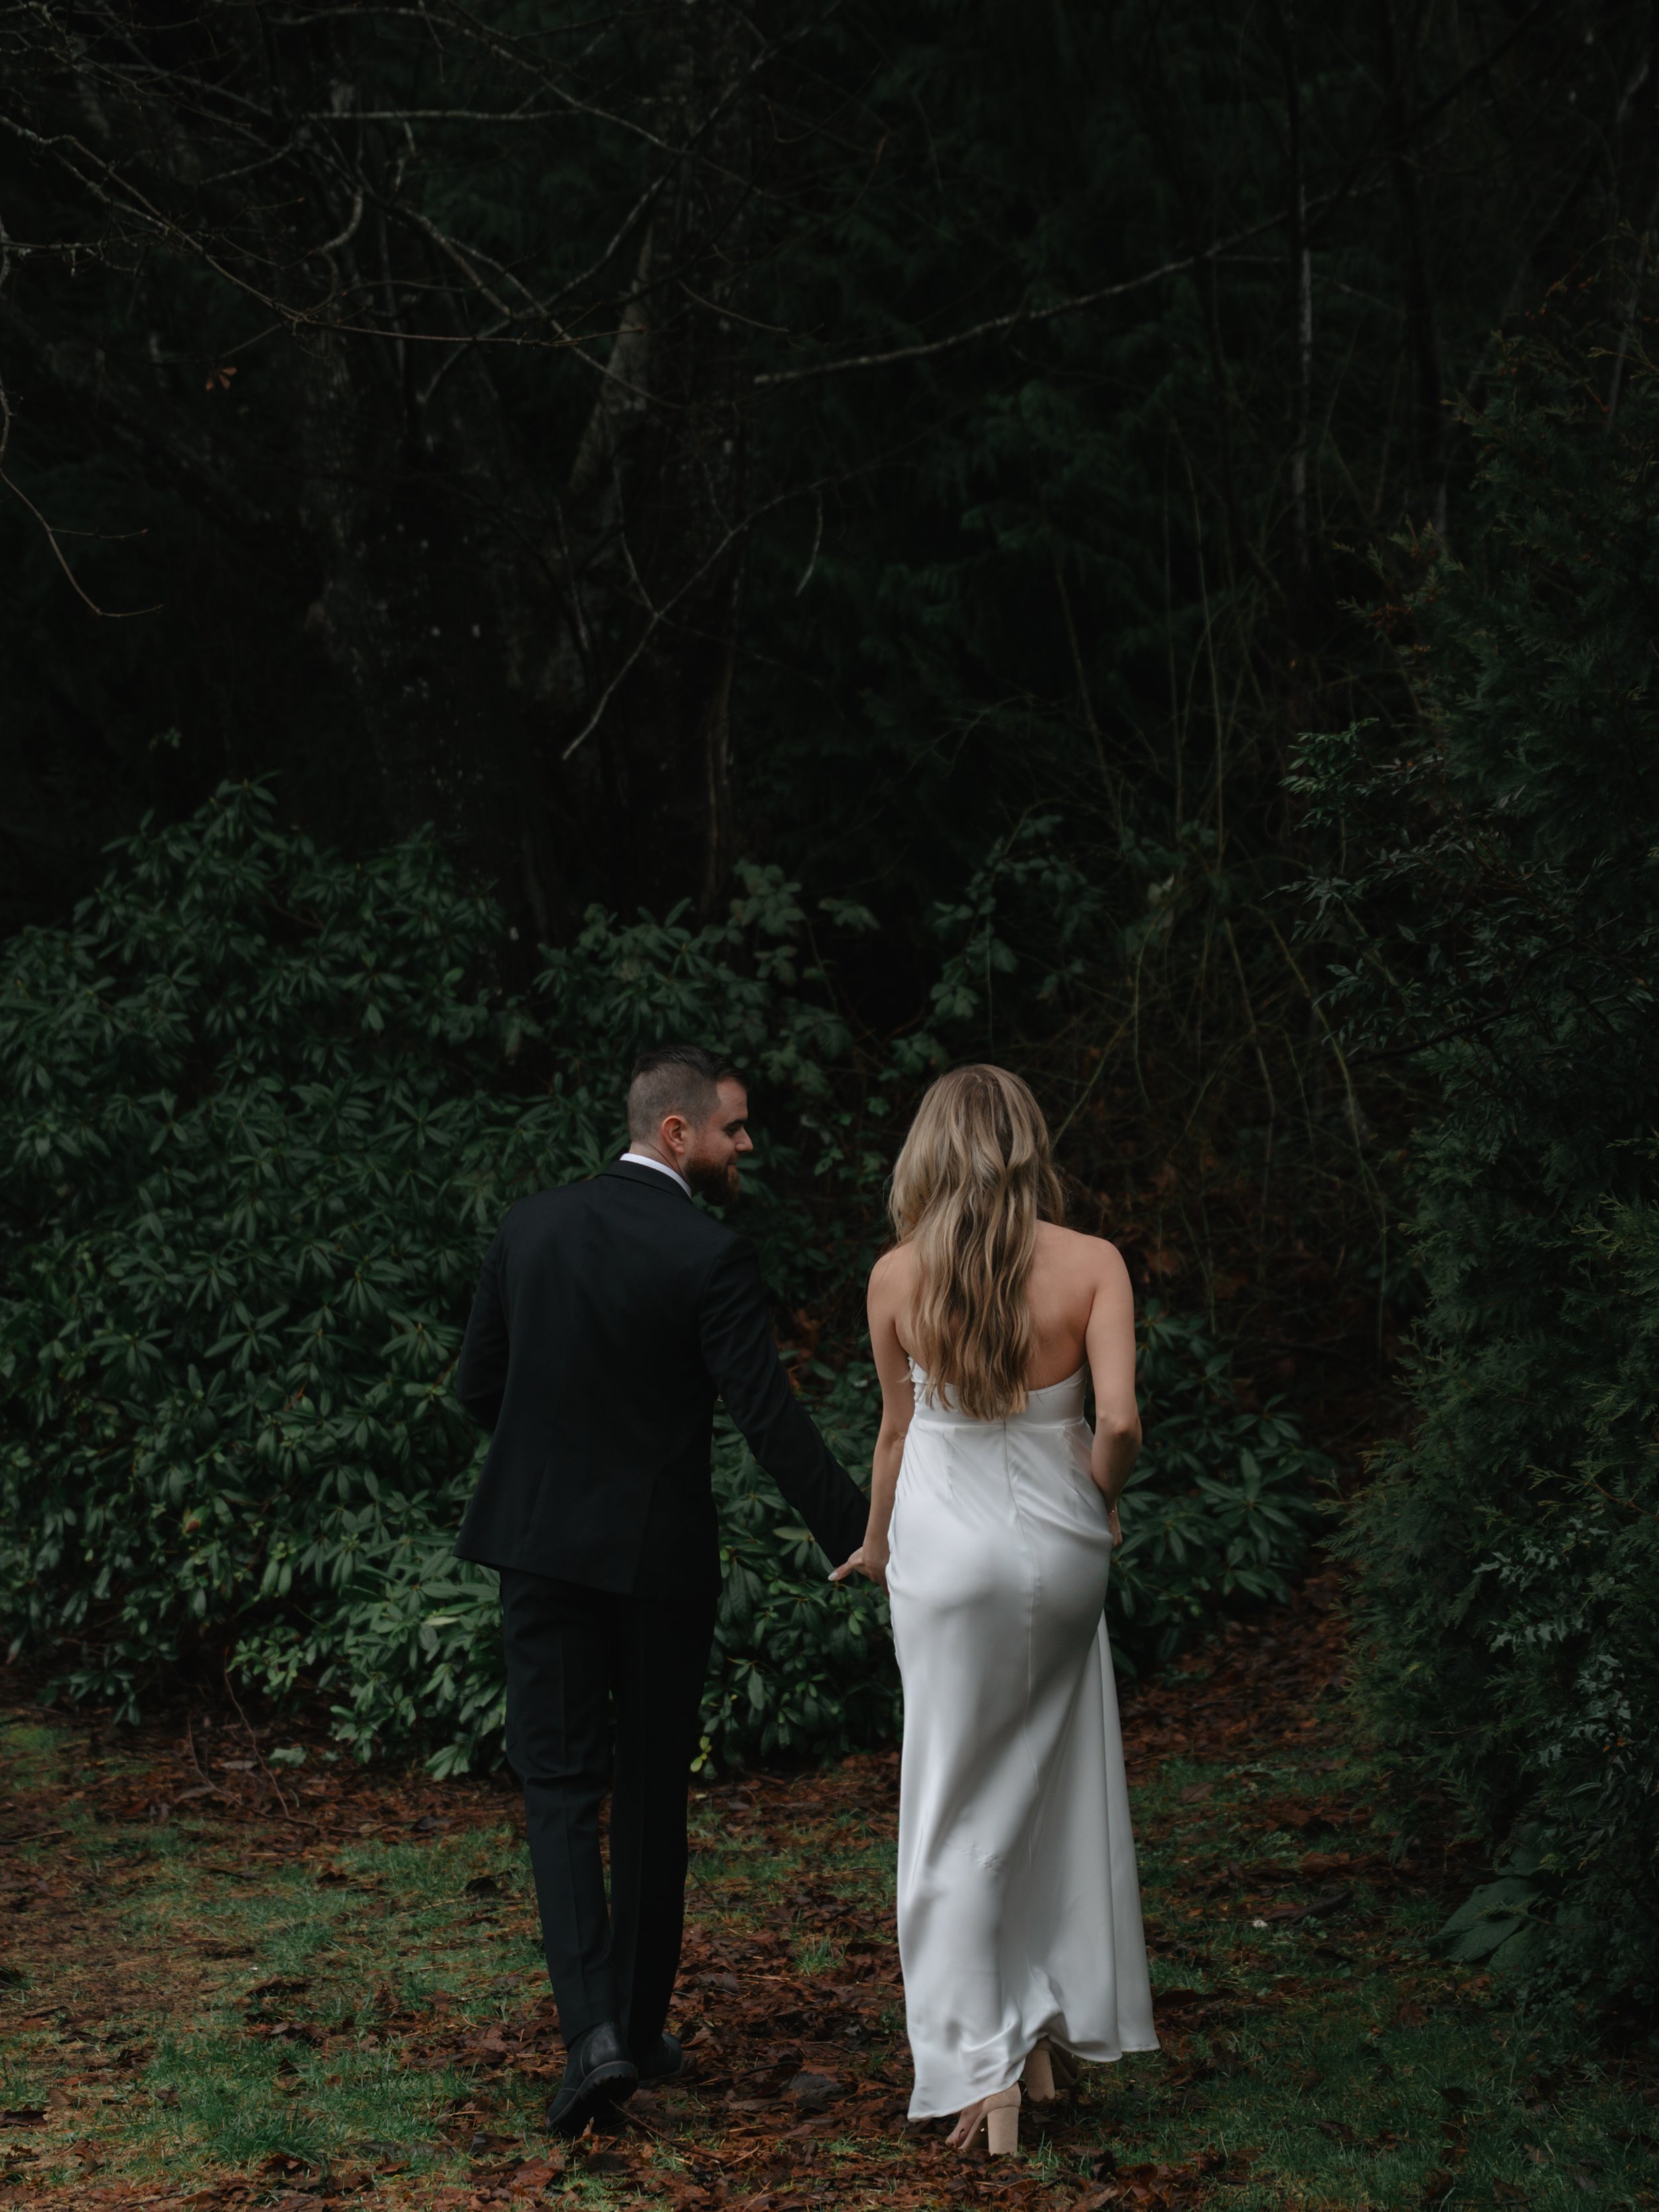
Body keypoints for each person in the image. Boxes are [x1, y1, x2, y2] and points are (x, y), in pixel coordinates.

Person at [455, 1044, 869, 2138]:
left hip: (540, 1552)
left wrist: (553, 1463)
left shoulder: (529, 1226)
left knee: (557, 1792)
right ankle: (629, 2030)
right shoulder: (710, 1253)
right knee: (648, 1792)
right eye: (731, 1130)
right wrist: (865, 1533)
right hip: (655, 1564)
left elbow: (477, 1386)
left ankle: (595, 2035)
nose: (744, 1148)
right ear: (677, 1133)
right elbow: (768, 1419)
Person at [833, 1064, 1157, 2156]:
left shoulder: (894, 1276)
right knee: (1049, 1781)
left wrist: (876, 1543)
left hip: (944, 1550)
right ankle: (1039, 2027)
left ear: (929, 1149)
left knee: (951, 1805)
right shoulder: (1093, 1263)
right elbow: (1117, 1423)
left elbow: (894, 1431)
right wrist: (1098, 1506)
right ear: (1029, 1141)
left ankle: (983, 2064)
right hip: (1060, 1548)